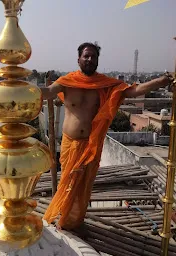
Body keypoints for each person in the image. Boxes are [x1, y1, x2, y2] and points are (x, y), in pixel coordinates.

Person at [41, 42, 174, 230]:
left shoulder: (105, 85)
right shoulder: (66, 82)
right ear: (78, 59)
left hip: (91, 146)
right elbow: (47, 92)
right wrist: (22, 89)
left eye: (93, 56)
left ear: (97, 60)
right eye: (85, 56)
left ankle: (71, 225)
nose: (89, 59)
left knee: (82, 190)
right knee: (67, 184)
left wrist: (161, 81)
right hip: (69, 145)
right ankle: (60, 221)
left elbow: (133, 91)